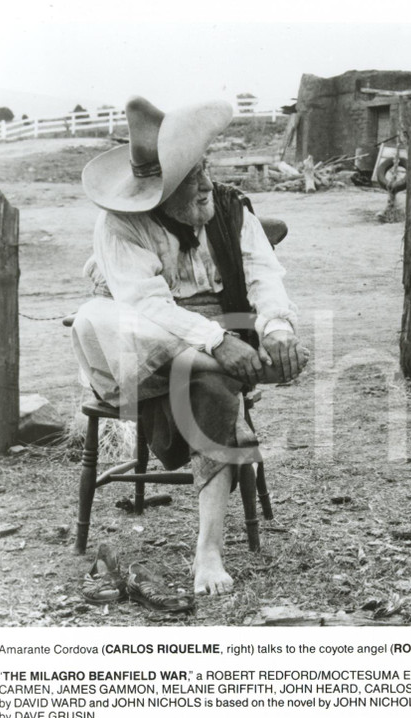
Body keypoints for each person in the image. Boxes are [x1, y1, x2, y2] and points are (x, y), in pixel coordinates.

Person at [72, 96, 309, 595]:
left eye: (204, 168)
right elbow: (146, 305)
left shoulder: (229, 207)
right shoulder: (120, 224)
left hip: (225, 334)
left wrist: (276, 330)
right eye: (190, 178)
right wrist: (217, 344)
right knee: (101, 318)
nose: (205, 184)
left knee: (213, 384)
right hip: (146, 346)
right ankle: (219, 365)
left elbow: (263, 276)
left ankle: (209, 550)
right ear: (156, 194)